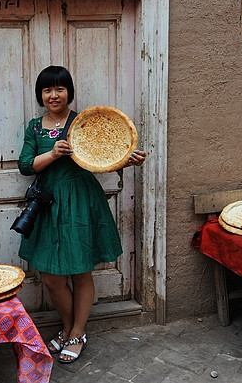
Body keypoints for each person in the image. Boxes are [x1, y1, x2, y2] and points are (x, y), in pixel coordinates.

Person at [16, 65, 146, 364]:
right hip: (48, 203)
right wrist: (52, 154)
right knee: (51, 278)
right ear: (41, 95)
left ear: (69, 92)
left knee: (81, 269)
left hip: (81, 200)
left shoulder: (83, 122)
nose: (54, 95)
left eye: (59, 88)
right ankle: (66, 326)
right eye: (47, 90)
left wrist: (129, 161)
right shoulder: (35, 127)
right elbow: (25, 165)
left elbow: (104, 157)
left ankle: (76, 332)